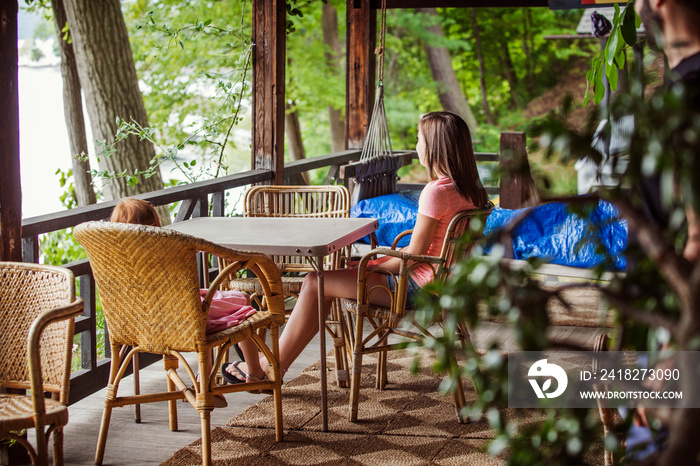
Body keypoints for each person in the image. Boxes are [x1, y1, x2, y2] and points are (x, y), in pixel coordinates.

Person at [221, 111, 490, 386]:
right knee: (325, 285)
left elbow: (410, 258)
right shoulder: (472, 192)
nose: (417, 145)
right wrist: (376, 261)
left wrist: (370, 264)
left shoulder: (436, 192)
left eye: (420, 139)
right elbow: (425, 251)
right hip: (446, 288)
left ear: (435, 147)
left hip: (415, 290)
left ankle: (269, 366)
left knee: (315, 282)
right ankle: (272, 367)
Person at [109, 197, 261, 404]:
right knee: (242, 302)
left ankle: (207, 380)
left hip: (141, 324)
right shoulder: (165, 251)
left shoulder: (113, 260)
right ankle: (250, 373)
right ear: (153, 226)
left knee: (202, 309)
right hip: (182, 318)